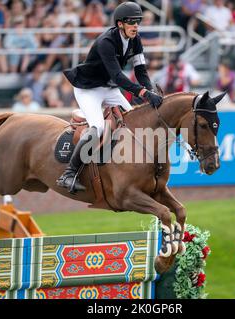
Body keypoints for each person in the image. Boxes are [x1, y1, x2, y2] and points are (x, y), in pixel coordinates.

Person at [57, 1, 163, 192]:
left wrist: (151, 91)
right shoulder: (106, 41)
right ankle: (69, 174)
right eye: (132, 22)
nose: (136, 25)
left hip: (109, 88)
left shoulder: (135, 39)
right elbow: (118, 75)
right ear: (120, 24)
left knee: (134, 122)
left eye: (138, 21)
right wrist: (142, 92)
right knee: (97, 127)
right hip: (88, 89)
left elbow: (141, 71)